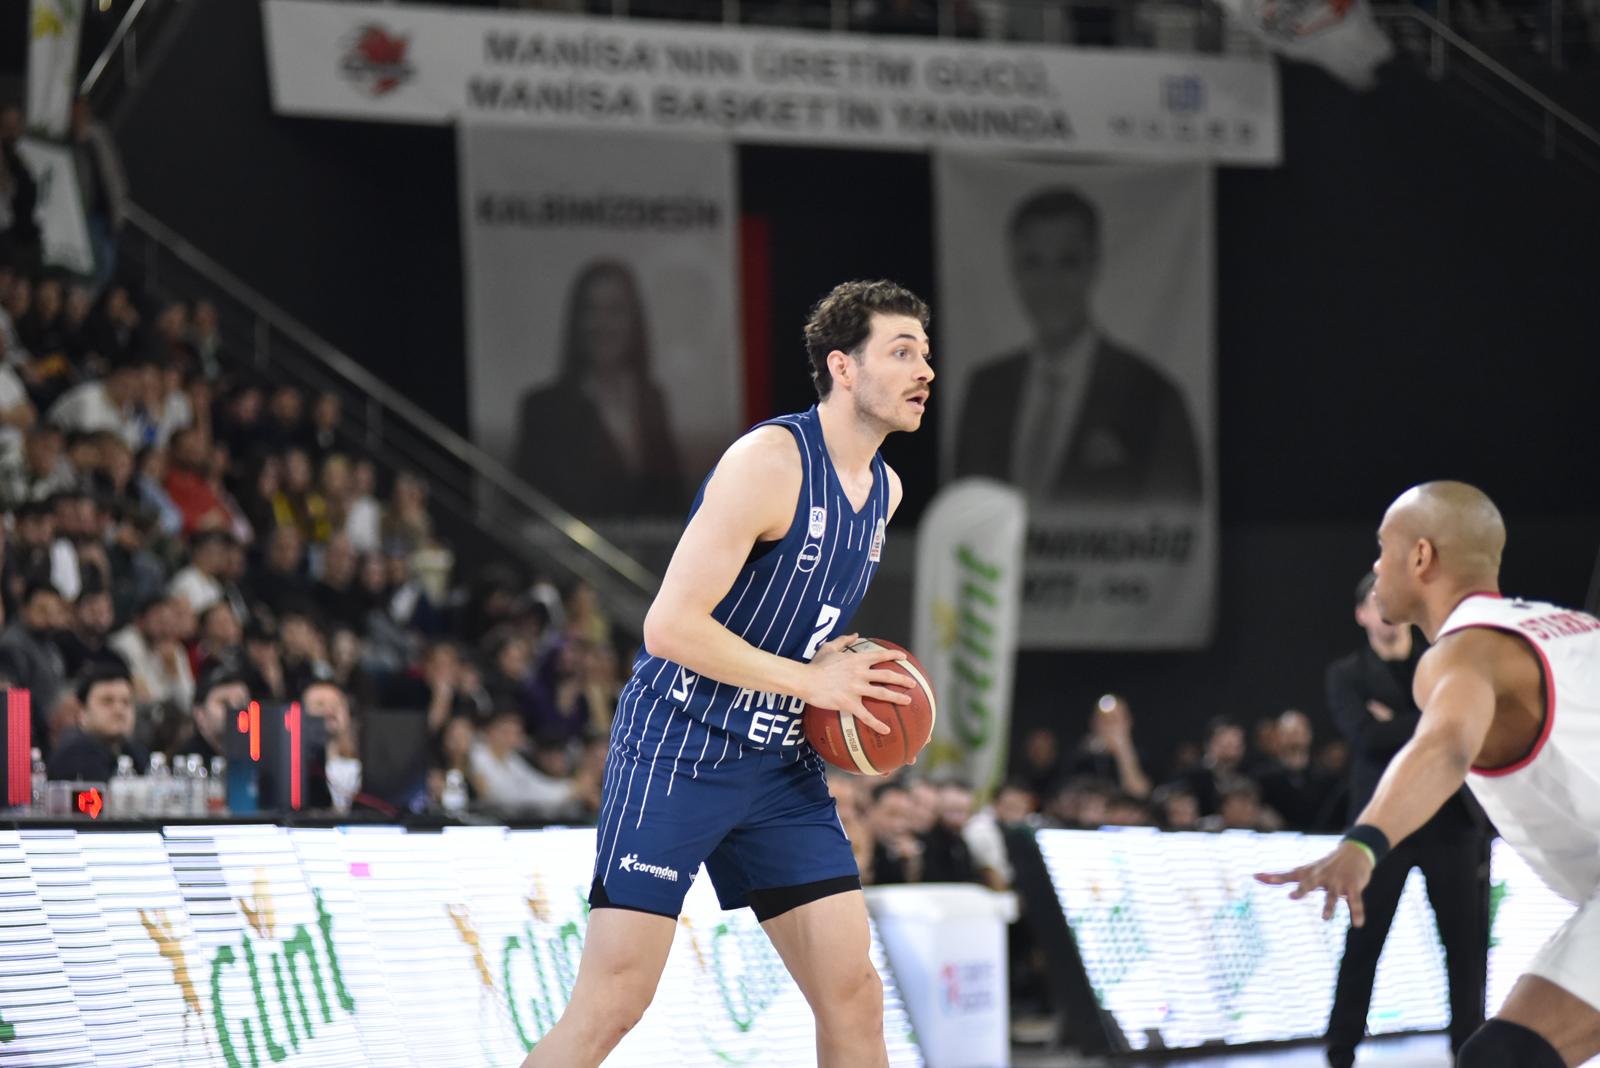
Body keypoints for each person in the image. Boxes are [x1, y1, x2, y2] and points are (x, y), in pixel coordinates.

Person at [520, 279, 932, 1068]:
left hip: (778, 765)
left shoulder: (885, 490)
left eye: (926, 354)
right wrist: (811, 683)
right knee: (613, 1002)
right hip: (680, 746)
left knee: (854, 995)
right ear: (843, 367)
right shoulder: (770, 461)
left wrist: (839, 665)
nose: (925, 371)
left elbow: (799, 621)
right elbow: (669, 626)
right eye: (902, 352)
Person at [1257, 482, 1600, 1068]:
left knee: (1502, 1057)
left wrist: (1363, 843)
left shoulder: (1461, 653)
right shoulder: (1571, 627)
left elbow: (1444, 747)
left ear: (1421, 556)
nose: (1375, 565)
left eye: (1381, 547)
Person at [1317, 570, 1489, 1067]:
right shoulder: (1346, 673)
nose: (1384, 610)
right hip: (1383, 826)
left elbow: (1462, 724)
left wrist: (1396, 722)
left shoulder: (1440, 663)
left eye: (1387, 598)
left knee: (1464, 945)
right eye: (1373, 601)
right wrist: (1430, 721)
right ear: (1361, 615)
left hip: (1449, 821)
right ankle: (1341, 1050)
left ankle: (1468, 1049)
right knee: (1363, 940)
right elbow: (1366, 738)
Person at [953, 187, 1201, 504]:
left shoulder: (1153, 396)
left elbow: (1181, 519)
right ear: (1014, 269)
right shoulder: (986, 391)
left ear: (1094, 264)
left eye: (1067, 262)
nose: (1049, 282)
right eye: (1033, 263)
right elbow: (959, 513)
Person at [511, 260, 686, 517]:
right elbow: (527, 506)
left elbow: (673, 498)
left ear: (634, 320)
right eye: (591, 310)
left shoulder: (652, 400)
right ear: (577, 320)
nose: (603, 323)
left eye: (615, 310)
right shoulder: (543, 408)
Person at [46, 665, 148, 781]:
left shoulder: (135, 752)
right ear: (82, 712)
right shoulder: (73, 755)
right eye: (107, 701)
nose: (119, 710)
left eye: (126, 702)